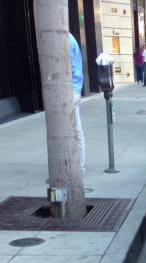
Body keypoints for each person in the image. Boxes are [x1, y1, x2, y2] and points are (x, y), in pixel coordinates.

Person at [69, 33, 85, 174]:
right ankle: (79, 167)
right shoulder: (70, 39)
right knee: (76, 130)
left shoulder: (65, 40)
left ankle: (79, 167)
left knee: (76, 131)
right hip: (74, 88)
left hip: (71, 89)